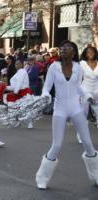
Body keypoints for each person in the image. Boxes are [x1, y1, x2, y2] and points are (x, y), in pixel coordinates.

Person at [35, 40, 98, 190]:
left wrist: (88, 95)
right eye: (62, 47)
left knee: (88, 144)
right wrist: (45, 96)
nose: (63, 49)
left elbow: (79, 87)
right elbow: (47, 88)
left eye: (67, 47)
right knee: (56, 145)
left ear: (74, 52)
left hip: (76, 108)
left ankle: (96, 176)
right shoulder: (53, 67)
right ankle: (42, 178)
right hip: (60, 109)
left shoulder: (78, 67)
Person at [76, 46, 98, 143]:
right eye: (88, 52)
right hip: (85, 90)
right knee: (84, 113)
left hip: (97, 90)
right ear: (85, 53)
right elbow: (78, 80)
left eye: (92, 51)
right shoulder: (82, 64)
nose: (90, 53)